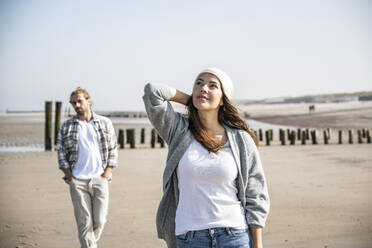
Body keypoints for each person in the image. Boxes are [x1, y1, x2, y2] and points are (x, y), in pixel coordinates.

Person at [143, 68, 270, 248]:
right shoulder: (179, 130)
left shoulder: (241, 139)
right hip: (190, 237)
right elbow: (153, 91)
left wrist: (257, 245)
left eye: (213, 86)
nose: (204, 88)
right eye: (199, 83)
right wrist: (192, 100)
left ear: (223, 99)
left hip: (234, 234)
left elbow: (255, 193)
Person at [57, 87, 118, 248]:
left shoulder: (105, 123)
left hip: (100, 179)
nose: (76, 105)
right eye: (73, 103)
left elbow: (113, 149)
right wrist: (70, 177)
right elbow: (61, 152)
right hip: (78, 181)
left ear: (88, 101)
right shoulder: (67, 126)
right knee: (84, 222)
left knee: (100, 220)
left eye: (79, 101)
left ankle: (89, 244)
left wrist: (107, 174)